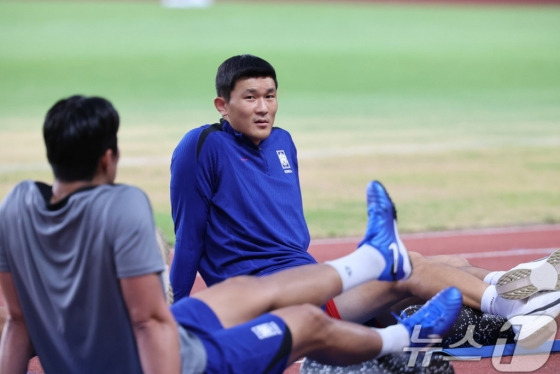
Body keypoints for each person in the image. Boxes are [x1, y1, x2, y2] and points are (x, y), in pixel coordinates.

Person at [0, 95, 464, 374]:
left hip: (131, 348)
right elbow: (148, 321)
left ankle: (374, 257)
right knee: (304, 322)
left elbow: (16, 322)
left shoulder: (14, 206)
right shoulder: (121, 206)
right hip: (168, 361)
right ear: (108, 158)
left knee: (248, 289)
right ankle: (405, 339)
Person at [169, 54, 560, 346]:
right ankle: (513, 306)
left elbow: (289, 235)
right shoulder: (202, 147)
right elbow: (188, 240)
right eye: (250, 97)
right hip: (276, 302)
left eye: (269, 96)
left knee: (451, 264)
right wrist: (174, 320)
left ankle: (517, 287)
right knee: (410, 269)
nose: (263, 107)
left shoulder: (282, 141)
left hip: (312, 279)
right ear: (222, 105)